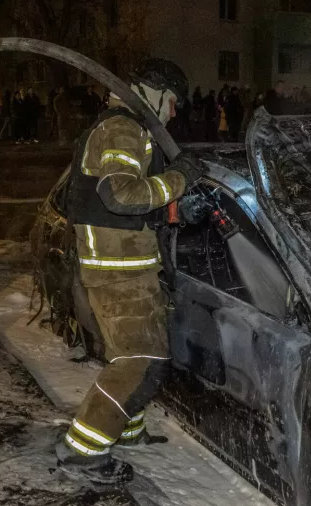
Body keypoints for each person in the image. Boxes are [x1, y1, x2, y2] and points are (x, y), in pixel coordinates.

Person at [57, 58, 206, 484]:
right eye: (172, 103)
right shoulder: (124, 128)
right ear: (154, 92)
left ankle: (128, 429)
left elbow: (133, 202)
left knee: (142, 354)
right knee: (140, 361)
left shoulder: (125, 128)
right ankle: (83, 451)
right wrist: (177, 180)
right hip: (118, 269)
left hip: (128, 264)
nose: (173, 114)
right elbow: (119, 195)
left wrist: (175, 208)